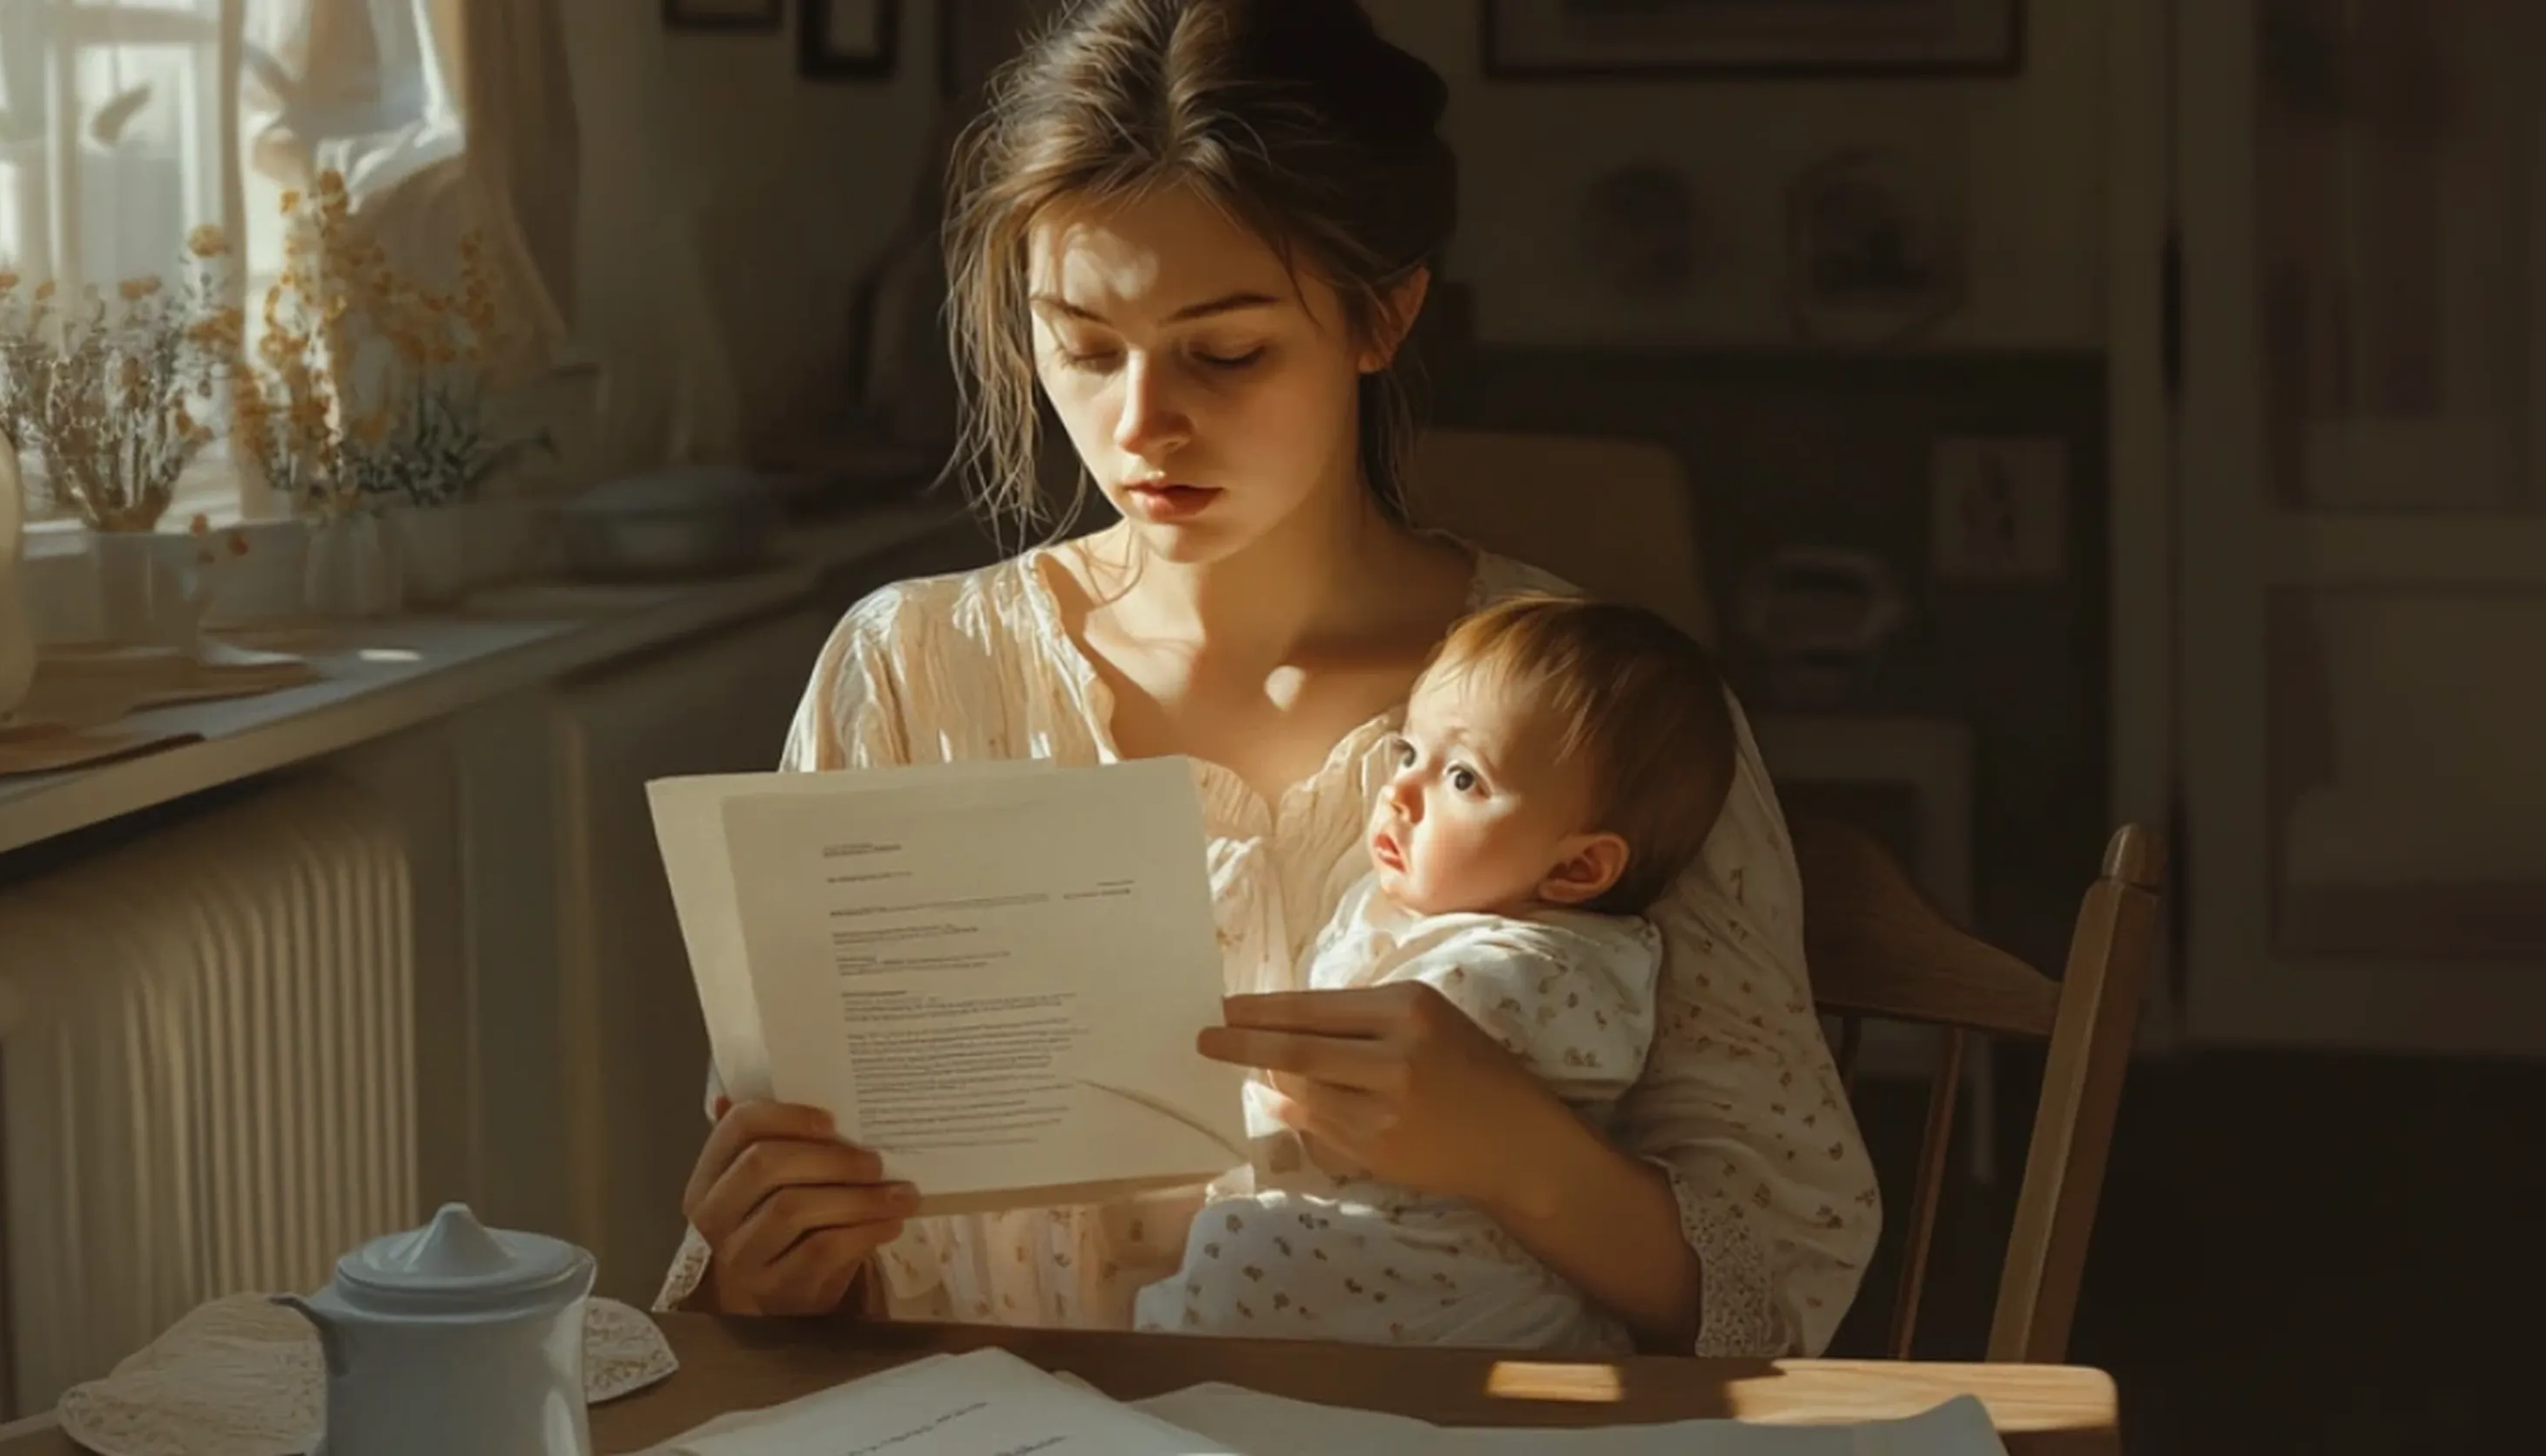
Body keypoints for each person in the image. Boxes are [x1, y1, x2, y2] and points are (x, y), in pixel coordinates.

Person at [663, 0, 1881, 1357]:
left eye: (1226, 351)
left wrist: (1517, 1154)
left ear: (1384, 315)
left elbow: (1782, 1288)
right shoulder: (910, 673)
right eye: (1081, 342)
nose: (1140, 426)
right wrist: (758, 1269)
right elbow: (774, 1297)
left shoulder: (1596, 708)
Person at [1133, 596, 1737, 1350]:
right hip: (1372, 1291)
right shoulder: (1420, 910)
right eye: (1408, 752)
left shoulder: (1538, 969)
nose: (1400, 792)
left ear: (1579, 866)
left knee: (1240, 1259)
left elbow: (1356, 1092)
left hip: (1451, 1310)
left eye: (1464, 780)